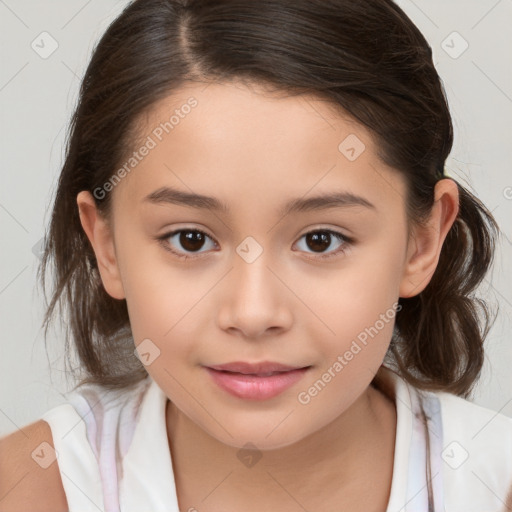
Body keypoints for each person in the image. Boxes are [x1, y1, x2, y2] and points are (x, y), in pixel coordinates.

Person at [1, 0, 511, 511]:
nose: (253, 313)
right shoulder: (25, 490)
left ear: (421, 242)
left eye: (320, 240)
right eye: (190, 239)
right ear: (106, 246)